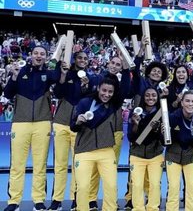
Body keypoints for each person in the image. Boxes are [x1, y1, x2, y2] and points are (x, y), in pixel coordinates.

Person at [3, 46, 60, 211]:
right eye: (36, 53)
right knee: (17, 164)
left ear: (46, 57)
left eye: (42, 54)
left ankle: (39, 200)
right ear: (31, 55)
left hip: (42, 123)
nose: (39, 56)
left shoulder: (48, 75)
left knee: (40, 164)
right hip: (20, 122)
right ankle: (14, 201)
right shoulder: (21, 72)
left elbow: (58, 75)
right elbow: (7, 94)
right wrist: (13, 77)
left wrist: (58, 59)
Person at [70, 75, 128, 211]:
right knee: (83, 187)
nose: (106, 94)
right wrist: (78, 122)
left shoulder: (113, 105)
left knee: (111, 186)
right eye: (104, 90)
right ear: (98, 89)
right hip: (84, 151)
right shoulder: (84, 102)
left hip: (106, 151)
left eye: (110, 92)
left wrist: (127, 67)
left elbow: (125, 88)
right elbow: (73, 126)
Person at [49, 52, 95, 211]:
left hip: (79, 126)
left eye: (85, 58)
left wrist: (86, 87)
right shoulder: (65, 73)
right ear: (74, 60)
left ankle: (77, 197)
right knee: (60, 164)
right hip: (61, 123)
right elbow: (57, 93)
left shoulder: (89, 78)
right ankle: (57, 199)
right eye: (80, 58)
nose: (83, 60)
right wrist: (62, 76)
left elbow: (90, 100)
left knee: (78, 165)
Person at [163, 90, 193, 211]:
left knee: (192, 190)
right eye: (187, 101)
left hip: (191, 157)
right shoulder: (172, 117)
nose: (190, 104)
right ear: (182, 102)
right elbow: (164, 142)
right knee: (173, 189)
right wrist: (164, 134)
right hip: (173, 157)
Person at [127, 88, 165, 211]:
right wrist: (136, 125)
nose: (150, 98)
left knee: (154, 185)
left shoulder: (162, 112)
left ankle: (153, 208)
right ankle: (138, 208)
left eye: (154, 95)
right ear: (143, 97)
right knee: (137, 185)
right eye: (147, 95)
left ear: (157, 97)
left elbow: (164, 140)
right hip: (137, 155)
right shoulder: (135, 112)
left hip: (155, 155)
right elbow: (131, 137)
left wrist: (157, 130)